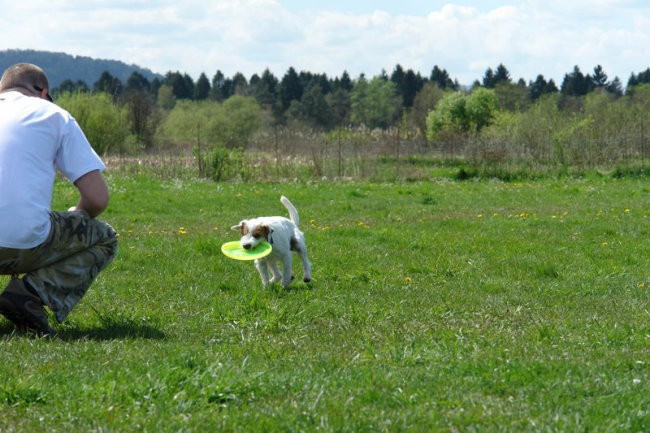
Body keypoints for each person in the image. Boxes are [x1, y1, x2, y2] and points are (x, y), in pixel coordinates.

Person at [0, 63, 118, 336]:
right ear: (42, 92)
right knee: (104, 237)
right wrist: (76, 213)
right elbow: (97, 199)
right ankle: (29, 293)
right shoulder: (54, 115)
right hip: (22, 242)